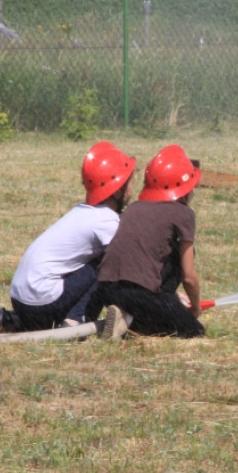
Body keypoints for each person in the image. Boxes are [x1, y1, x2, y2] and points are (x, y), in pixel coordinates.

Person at [0, 141, 137, 332]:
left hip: (21, 300)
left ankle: (14, 319)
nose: (133, 186)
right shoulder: (105, 221)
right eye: (131, 180)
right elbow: (129, 261)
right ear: (119, 189)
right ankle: (75, 321)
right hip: (42, 303)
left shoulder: (84, 212)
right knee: (106, 263)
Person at [87, 144, 206, 340]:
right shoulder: (183, 214)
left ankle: (127, 315)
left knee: (171, 259)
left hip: (106, 290)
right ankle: (132, 321)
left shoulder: (134, 207)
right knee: (194, 331)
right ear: (185, 189)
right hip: (138, 294)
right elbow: (189, 277)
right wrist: (195, 308)